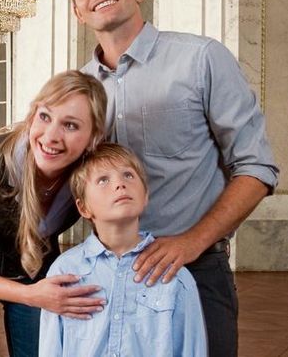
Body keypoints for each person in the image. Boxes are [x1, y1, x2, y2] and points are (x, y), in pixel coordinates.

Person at [69, 0, 280, 356]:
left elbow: (258, 168)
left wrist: (191, 241)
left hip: (196, 267)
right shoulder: (80, 87)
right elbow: (52, 163)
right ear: (78, 10)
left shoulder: (201, 58)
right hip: (109, 271)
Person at [0, 70, 109, 357]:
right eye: (45, 116)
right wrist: (32, 295)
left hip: (35, 264)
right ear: (32, 116)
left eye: (71, 125)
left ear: (94, 137)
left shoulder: (91, 175)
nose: (51, 136)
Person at [38, 143, 206, 357]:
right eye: (103, 180)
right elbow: (51, 348)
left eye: (128, 175)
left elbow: (192, 350)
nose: (119, 184)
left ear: (145, 196)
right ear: (83, 208)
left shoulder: (175, 275)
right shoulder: (64, 271)